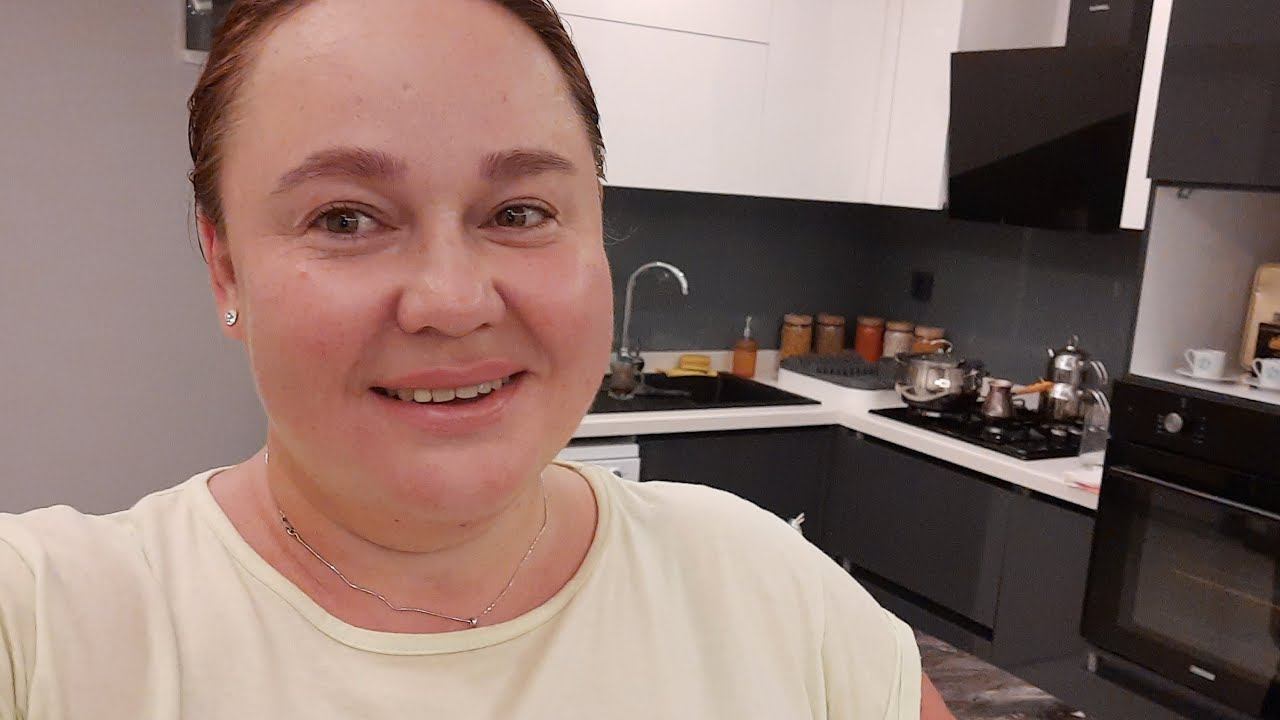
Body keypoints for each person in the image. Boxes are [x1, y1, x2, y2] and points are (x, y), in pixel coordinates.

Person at [0, 1, 956, 717]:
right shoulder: (51, 625)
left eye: (519, 212)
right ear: (224, 267)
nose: (453, 302)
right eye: (345, 218)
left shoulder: (767, 589)